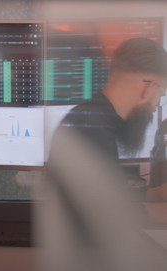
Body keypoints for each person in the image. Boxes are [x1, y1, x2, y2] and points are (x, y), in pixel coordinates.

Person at [39, 37, 167, 271]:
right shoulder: (90, 128)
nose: (156, 104)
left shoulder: (92, 119)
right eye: (162, 93)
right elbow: (112, 214)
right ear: (149, 88)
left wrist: (156, 193)